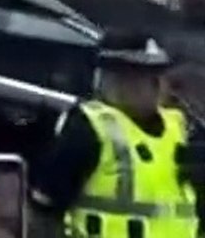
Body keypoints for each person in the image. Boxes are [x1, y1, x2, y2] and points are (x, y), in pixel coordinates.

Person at [32, 31, 200, 238]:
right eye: (138, 75)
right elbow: (44, 210)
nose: (154, 86)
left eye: (156, 75)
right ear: (110, 78)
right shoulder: (89, 127)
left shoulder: (181, 127)